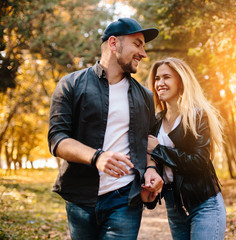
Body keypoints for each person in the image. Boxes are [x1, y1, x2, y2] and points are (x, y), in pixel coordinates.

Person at [47, 18, 163, 240]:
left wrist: (151, 169)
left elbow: (150, 144)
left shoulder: (146, 96)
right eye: (137, 44)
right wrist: (96, 157)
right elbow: (57, 139)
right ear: (113, 43)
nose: (143, 53)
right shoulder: (70, 84)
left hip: (125, 199)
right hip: (80, 198)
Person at [146, 57, 226, 240]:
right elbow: (154, 164)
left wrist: (159, 150)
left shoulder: (196, 116)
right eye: (157, 78)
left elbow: (198, 162)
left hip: (204, 204)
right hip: (174, 207)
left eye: (166, 77)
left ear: (181, 82)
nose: (160, 83)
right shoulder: (155, 121)